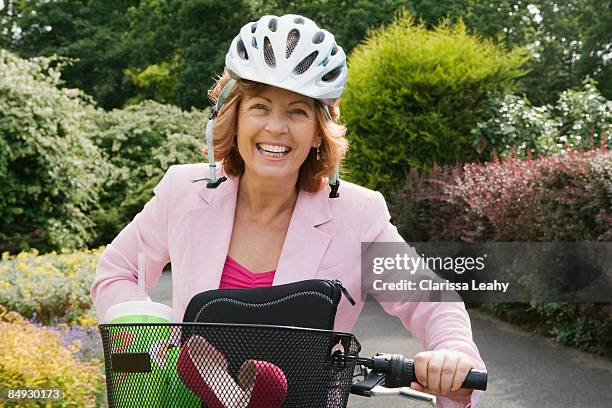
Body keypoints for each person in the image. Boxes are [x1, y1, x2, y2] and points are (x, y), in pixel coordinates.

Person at [91, 14, 486, 407]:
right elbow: (117, 272)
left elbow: (430, 299)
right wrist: (149, 342)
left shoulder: (359, 213)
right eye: (260, 107)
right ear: (234, 117)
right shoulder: (184, 191)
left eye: (297, 111)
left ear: (318, 131)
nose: (276, 128)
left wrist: (453, 354)